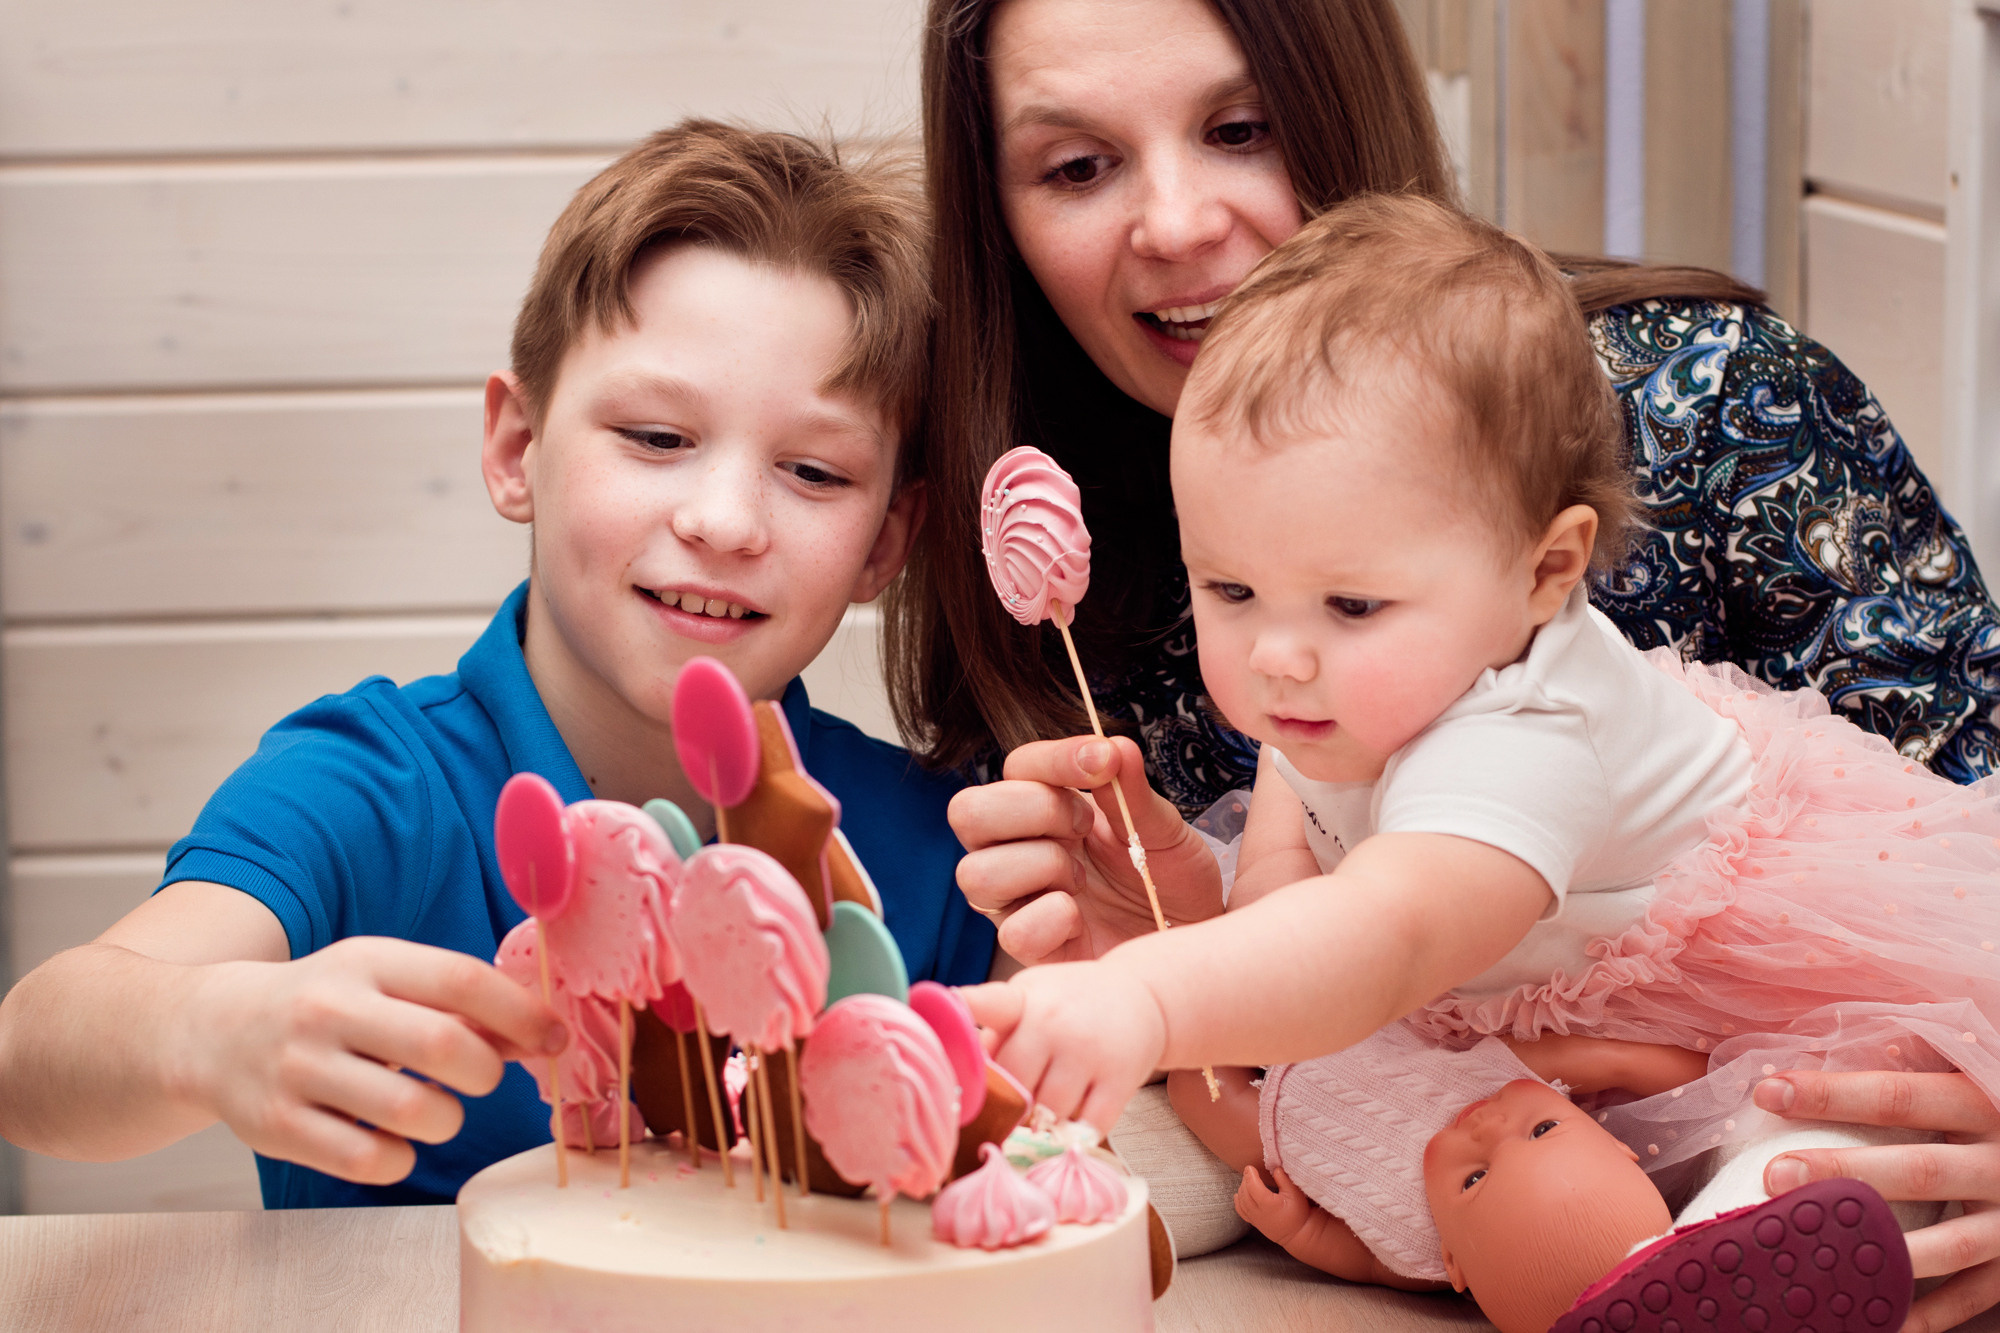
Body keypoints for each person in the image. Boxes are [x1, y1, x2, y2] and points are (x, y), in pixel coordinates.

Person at [913, 1, 2000, 1324]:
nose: (1274, 657)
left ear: (1548, 572)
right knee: (1256, 1128)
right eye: (1231, 590)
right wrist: (1175, 959)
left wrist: (1146, 996)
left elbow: (1393, 930)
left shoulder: (1526, 711)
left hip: (1768, 1018)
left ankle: (1699, 1282)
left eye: (1240, 126)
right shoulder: (1318, 633)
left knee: (1811, 1160)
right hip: (1501, 1056)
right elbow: (1289, 949)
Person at [0, 122, 994, 1209]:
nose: (724, 520)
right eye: (657, 438)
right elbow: (32, 1054)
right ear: (517, 450)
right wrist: (206, 1031)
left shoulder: (931, 853)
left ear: (887, 543)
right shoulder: (371, 791)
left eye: (811, 470)